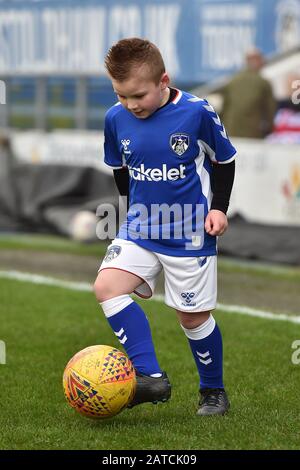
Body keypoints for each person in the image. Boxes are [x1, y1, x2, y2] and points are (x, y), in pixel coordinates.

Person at [94, 38, 236, 416]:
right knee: (107, 287)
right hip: (140, 227)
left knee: (191, 317)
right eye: (121, 96)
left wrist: (219, 209)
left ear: (163, 81)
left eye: (138, 95)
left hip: (189, 233)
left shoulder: (197, 112)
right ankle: (150, 376)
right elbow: (120, 171)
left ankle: (212, 391)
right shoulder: (115, 118)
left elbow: (224, 161)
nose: (130, 105)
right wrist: (129, 214)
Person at [220, 47, 277, 138]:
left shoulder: (233, 81)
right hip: (253, 134)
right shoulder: (263, 83)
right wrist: (269, 130)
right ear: (259, 61)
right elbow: (270, 111)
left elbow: (223, 108)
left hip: (231, 131)